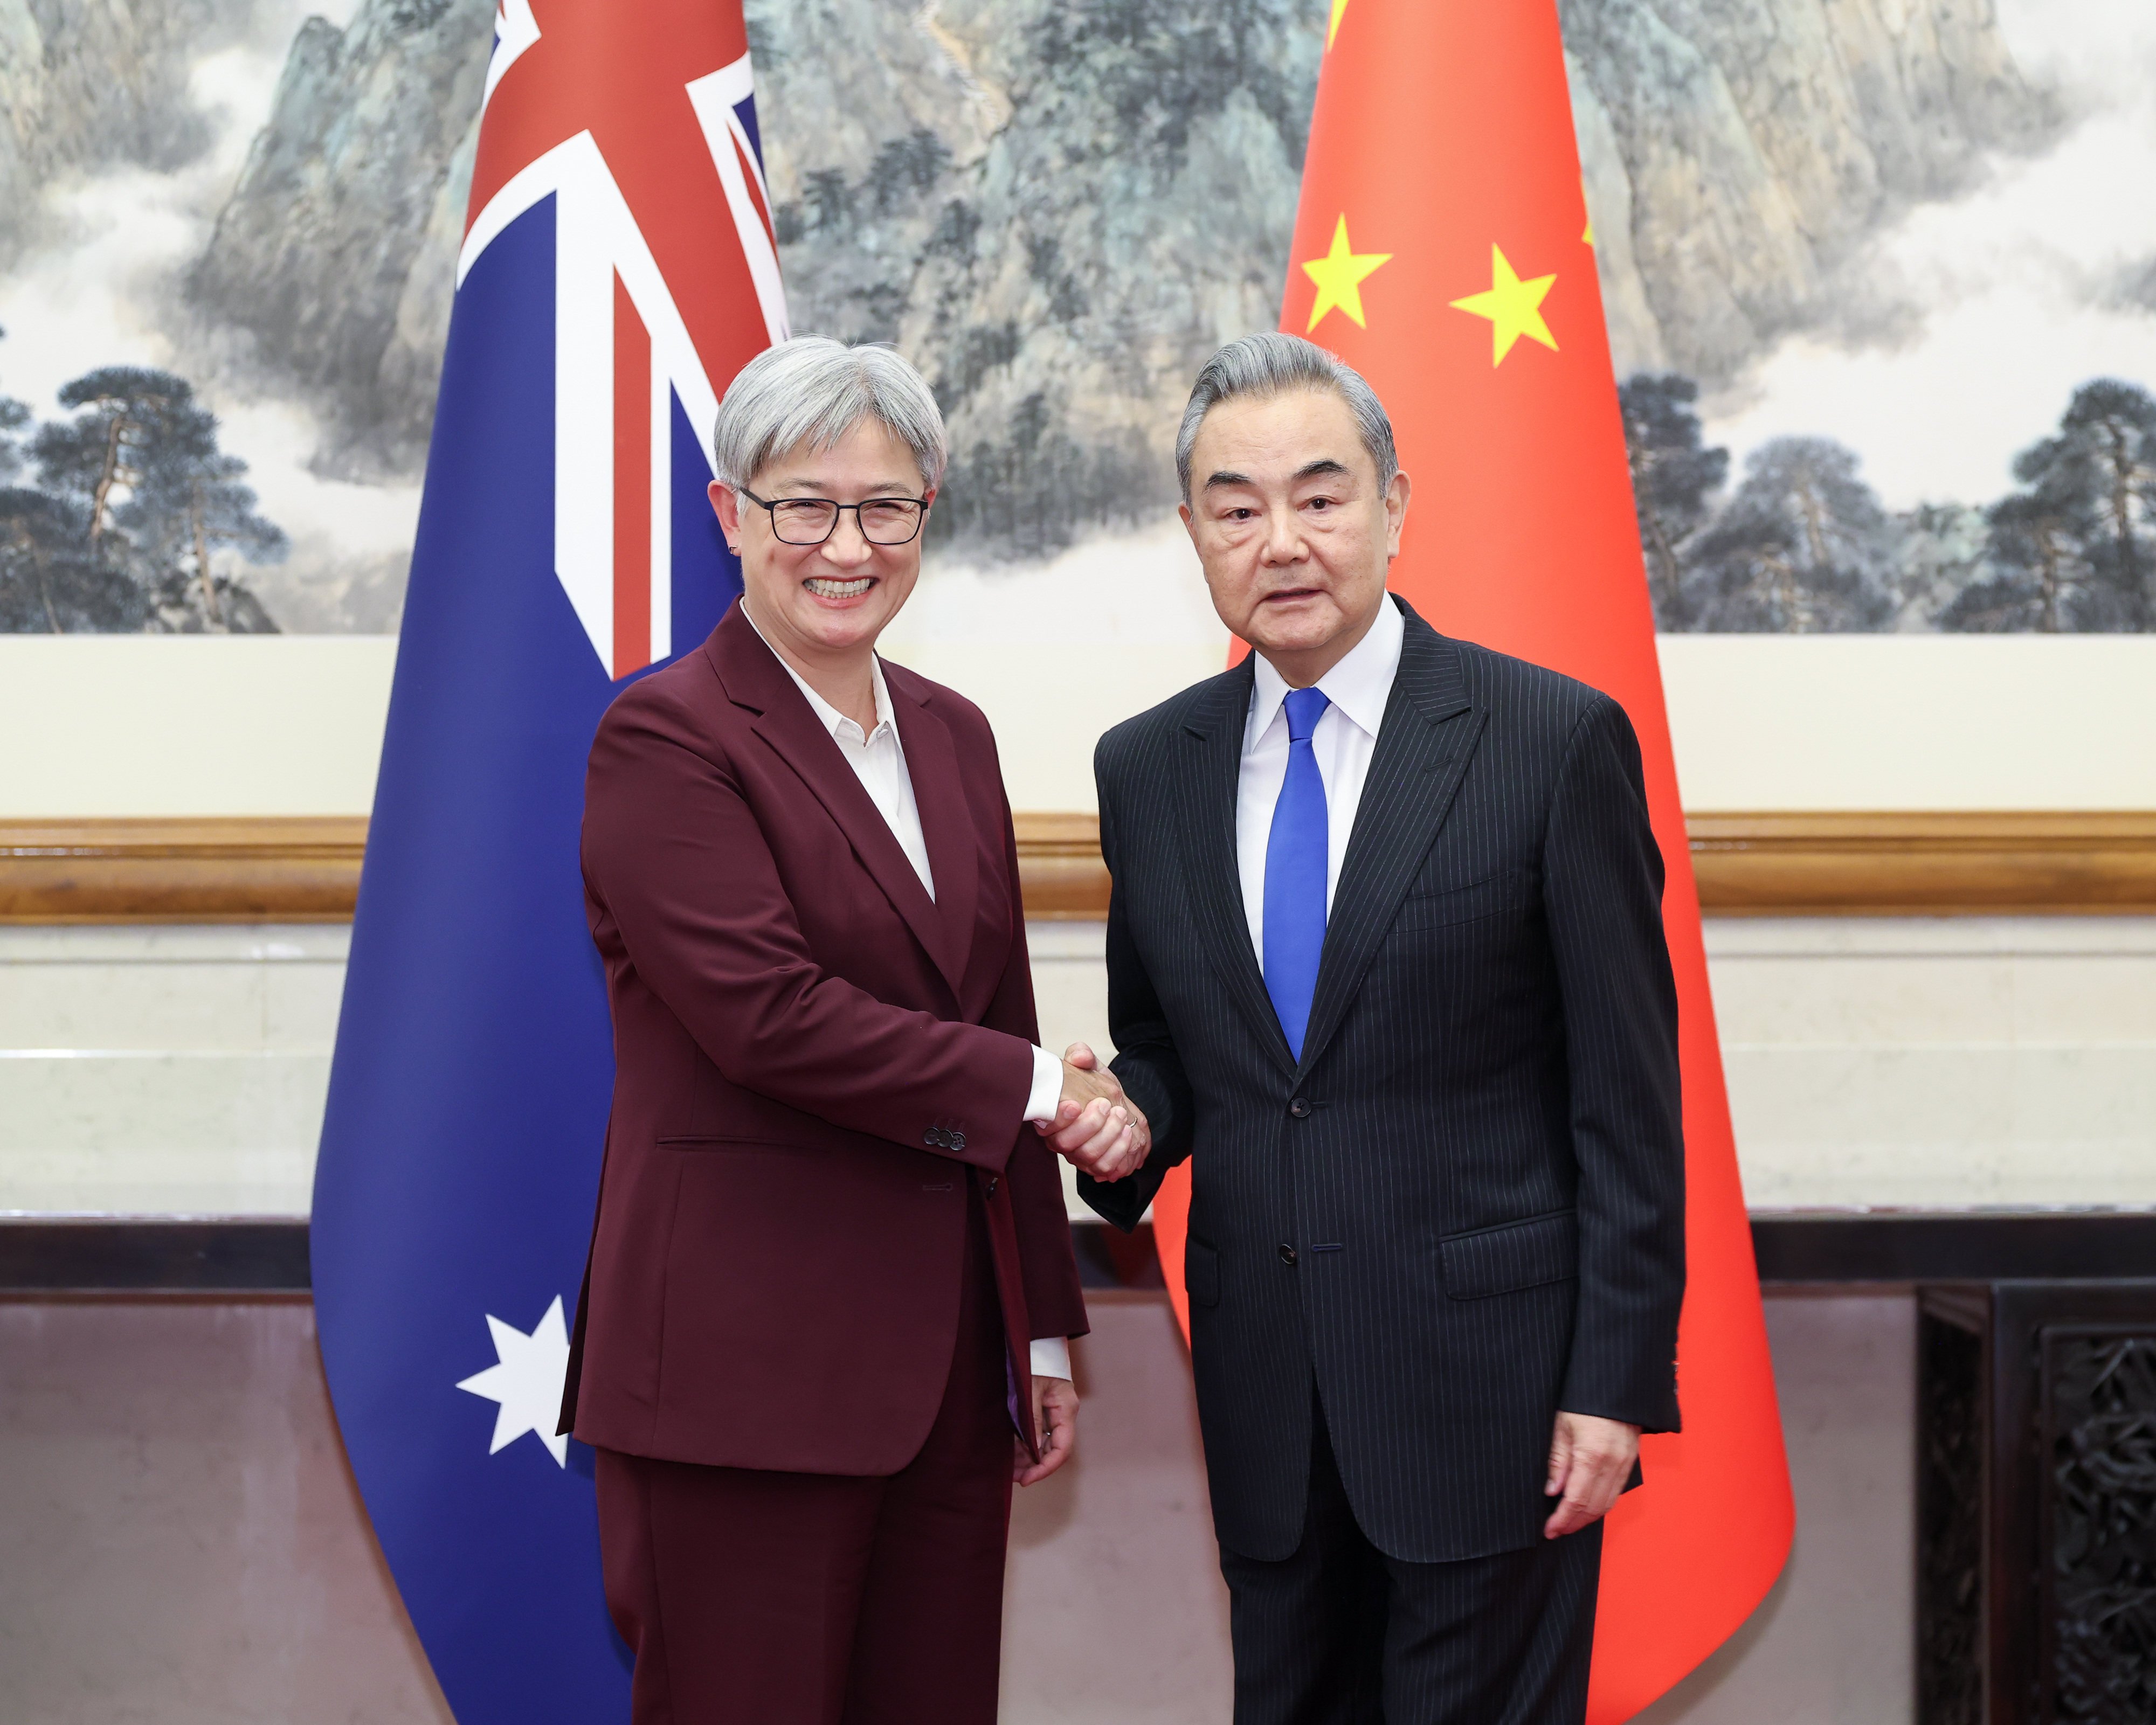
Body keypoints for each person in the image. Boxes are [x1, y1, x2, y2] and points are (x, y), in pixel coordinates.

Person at [1062, 333, 1685, 1724]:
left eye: (1321, 496)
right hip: (1271, 1397)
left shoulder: (1547, 740)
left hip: (1499, 1398)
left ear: (1395, 506)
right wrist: (1128, 1118)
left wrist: (1616, 1378)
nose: (1281, 540)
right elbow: (1171, 1046)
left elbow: (1629, 1096)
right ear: (1194, 534)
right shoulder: (1148, 767)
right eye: (1236, 507)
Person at [558, 336, 1142, 1724]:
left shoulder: (954, 735)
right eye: (803, 503)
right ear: (729, 515)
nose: (846, 544)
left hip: (944, 1371)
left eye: (887, 507)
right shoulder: (666, 736)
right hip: (740, 1376)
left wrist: (1040, 1332)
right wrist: (1043, 1093)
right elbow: (771, 1018)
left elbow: (987, 1004)